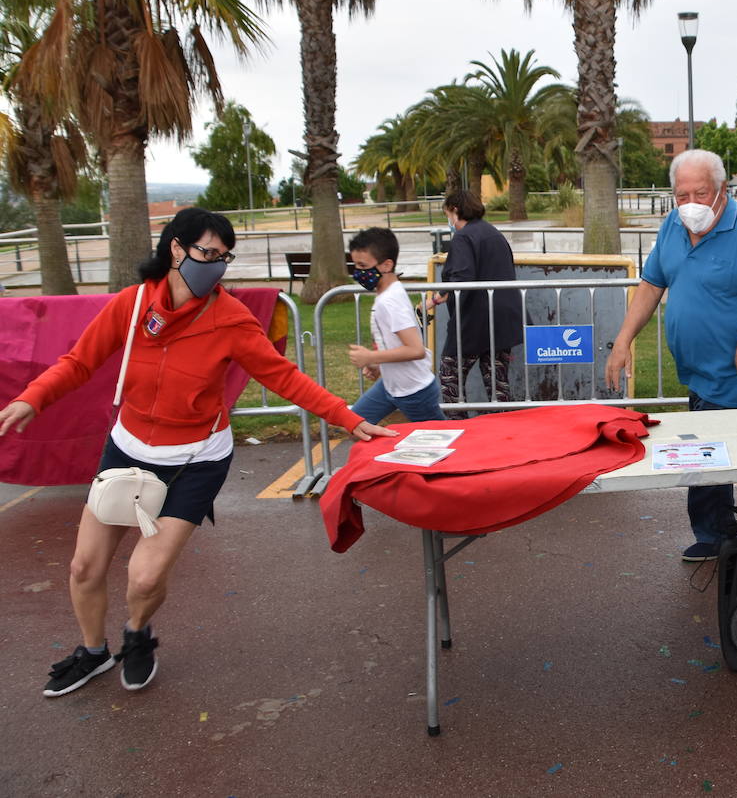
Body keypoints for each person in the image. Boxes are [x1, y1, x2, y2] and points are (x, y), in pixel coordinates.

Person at [0, 208, 395, 697]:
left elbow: (282, 376)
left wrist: (349, 418)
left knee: (144, 579)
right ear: (176, 248)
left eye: (224, 258)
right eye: (209, 253)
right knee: (84, 566)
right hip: (128, 451)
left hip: (195, 459)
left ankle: (138, 634)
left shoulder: (229, 318)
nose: (217, 266)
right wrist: (30, 398)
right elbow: (78, 362)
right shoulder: (133, 304)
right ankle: (93, 652)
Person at [604, 149, 737, 561]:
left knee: (707, 452)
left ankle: (712, 536)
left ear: (722, 190)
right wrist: (623, 341)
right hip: (699, 371)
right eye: (681, 195)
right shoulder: (672, 225)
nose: (690, 205)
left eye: (699, 193)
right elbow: (651, 285)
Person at [422, 190, 522, 407]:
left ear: (455, 210)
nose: (448, 220)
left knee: (450, 377)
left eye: (447, 214)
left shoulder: (463, 237)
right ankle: (505, 427)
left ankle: (458, 426)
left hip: (473, 321)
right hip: (502, 319)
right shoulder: (493, 233)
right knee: (497, 383)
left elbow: (461, 278)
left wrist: (433, 300)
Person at [346, 227, 448, 424]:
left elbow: (415, 349)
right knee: (355, 424)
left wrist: (370, 356)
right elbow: (394, 343)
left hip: (413, 390)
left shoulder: (390, 301)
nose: (358, 272)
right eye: (355, 265)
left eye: (362, 265)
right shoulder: (387, 294)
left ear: (386, 265)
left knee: (440, 443)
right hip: (391, 386)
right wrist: (379, 364)